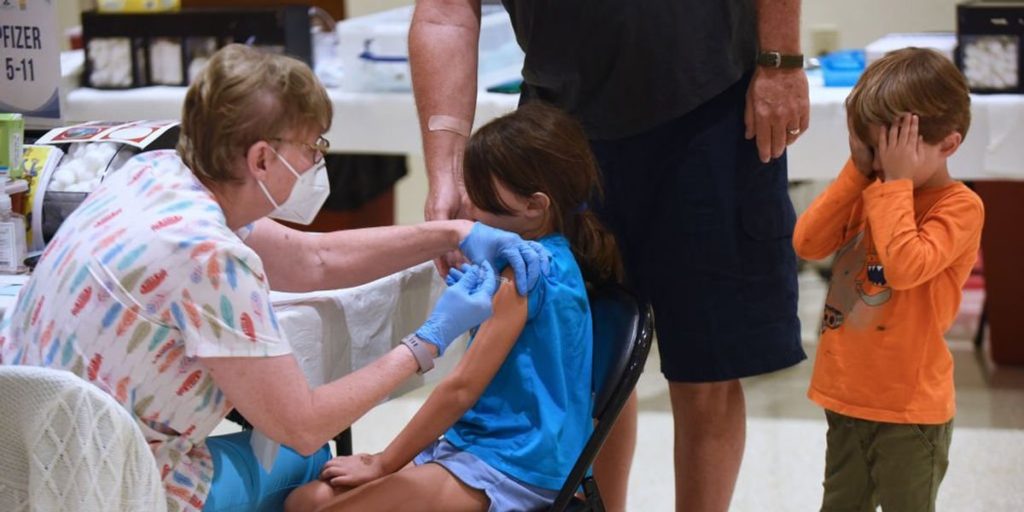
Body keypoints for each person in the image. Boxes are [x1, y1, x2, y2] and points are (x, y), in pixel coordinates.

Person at [0, 44, 550, 512]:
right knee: (309, 462)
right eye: (313, 148)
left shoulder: (148, 174)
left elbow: (311, 260)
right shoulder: (211, 258)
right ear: (262, 159)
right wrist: (426, 342)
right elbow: (304, 425)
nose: (316, 162)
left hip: (22, 466)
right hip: (119, 488)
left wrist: (452, 233)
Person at [409, 1, 809, 509]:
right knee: (577, 363)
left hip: (708, 101)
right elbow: (444, 13)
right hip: (558, 120)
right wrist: (447, 173)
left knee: (707, 364)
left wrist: (780, 62)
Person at [284, 103, 624, 512]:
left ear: (535, 206)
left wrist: (383, 463)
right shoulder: (539, 256)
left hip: (515, 465)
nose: (470, 210)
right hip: (475, 443)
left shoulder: (525, 272)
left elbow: (461, 388)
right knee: (304, 501)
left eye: (481, 197)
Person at [793, 48, 984, 511]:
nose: (880, 165)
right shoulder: (871, 186)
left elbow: (903, 266)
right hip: (847, 396)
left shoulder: (959, 207)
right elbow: (808, 243)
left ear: (948, 145)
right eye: (873, 150)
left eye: (893, 153)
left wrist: (894, 186)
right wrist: (857, 171)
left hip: (910, 410)